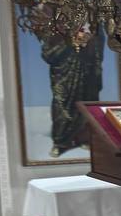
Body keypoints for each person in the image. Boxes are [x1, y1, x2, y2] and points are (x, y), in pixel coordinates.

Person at [41, 26, 105, 156]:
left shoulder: (94, 23)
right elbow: (48, 55)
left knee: (87, 105)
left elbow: (99, 44)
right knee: (61, 107)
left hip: (87, 72)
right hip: (64, 74)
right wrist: (70, 41)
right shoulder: (56, 25)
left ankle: (83, 138)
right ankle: (60, 142)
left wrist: (90, 40)